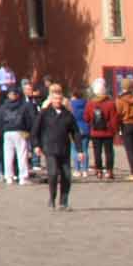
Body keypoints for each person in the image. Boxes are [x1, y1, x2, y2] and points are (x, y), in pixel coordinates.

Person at [35, 82, 76, 210]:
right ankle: (52, 198)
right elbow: (36, 130)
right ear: (51, 99)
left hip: (64, 149)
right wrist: (36, 145)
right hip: (50, 148)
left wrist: (80, 150)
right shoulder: (45, 113)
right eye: (55, 99)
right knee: (52, 174)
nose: (57, 101)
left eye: (59, 99)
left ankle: (63, 202)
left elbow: (75, 132)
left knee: (67, 175)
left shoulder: (67, 114)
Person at [0, 80, 37, 186]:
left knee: (8, 155)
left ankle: (9, 176)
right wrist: (29, 130)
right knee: (22, 154)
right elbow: (29, 119)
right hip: (20, 130)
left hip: (7, 131)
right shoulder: (24, 105)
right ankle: (23, 177)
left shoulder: (3, 106)